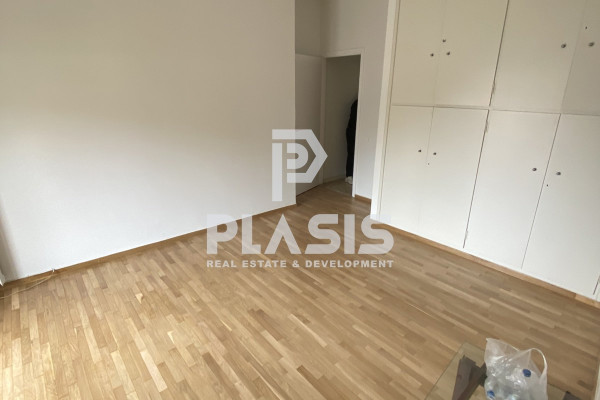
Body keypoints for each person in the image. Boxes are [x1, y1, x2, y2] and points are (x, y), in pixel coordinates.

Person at [345, 99, 358, 185]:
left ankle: (352, 175)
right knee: (352, 153)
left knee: (354, 153)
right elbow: (354, 119)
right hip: (352, 132)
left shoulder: (357, 103)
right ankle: (349, 176)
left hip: (354, 131)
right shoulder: (357, 103)